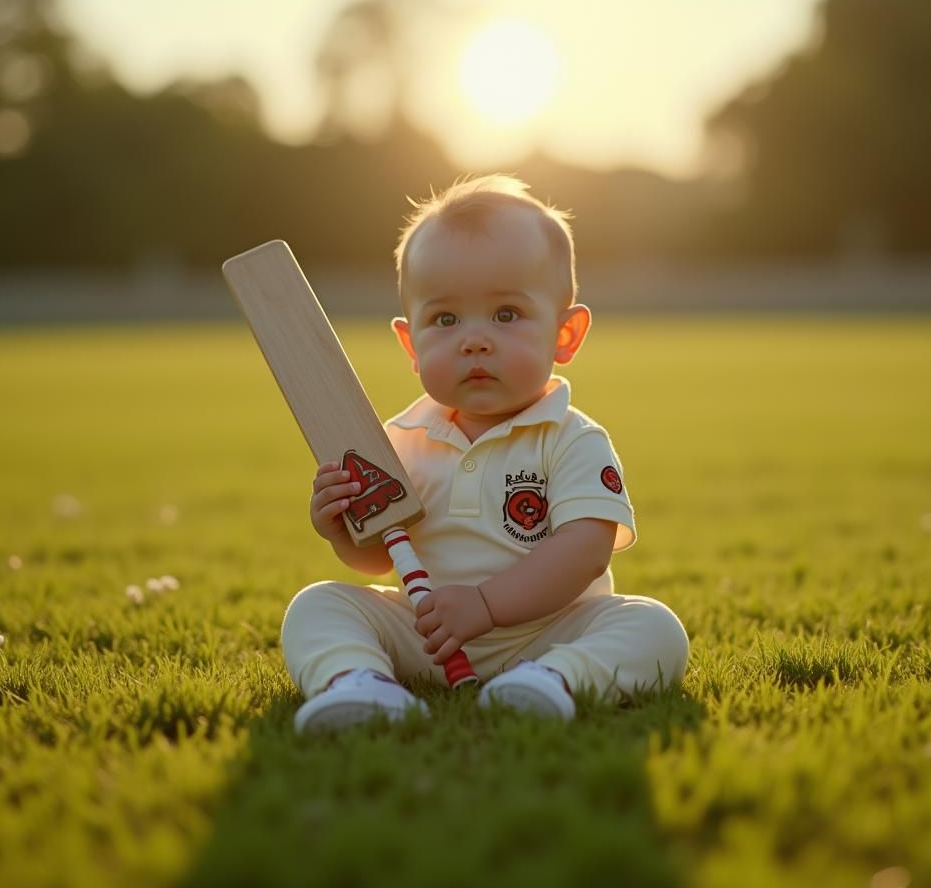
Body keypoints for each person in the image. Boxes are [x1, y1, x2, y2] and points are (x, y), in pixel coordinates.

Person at [281, 175, 689, 732]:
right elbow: (382, 556)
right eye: (445, 320)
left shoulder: (571, 438)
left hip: (547, 632)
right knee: (318, 605)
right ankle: (363, 684)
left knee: (654, 628)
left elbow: (586, 551)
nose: (475, 340)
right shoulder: (397, 440)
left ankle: (554, 679)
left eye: (506, 315)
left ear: (564, 335)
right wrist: (341, 530)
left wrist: (487, 605)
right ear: (411, 344)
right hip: (431, 634)